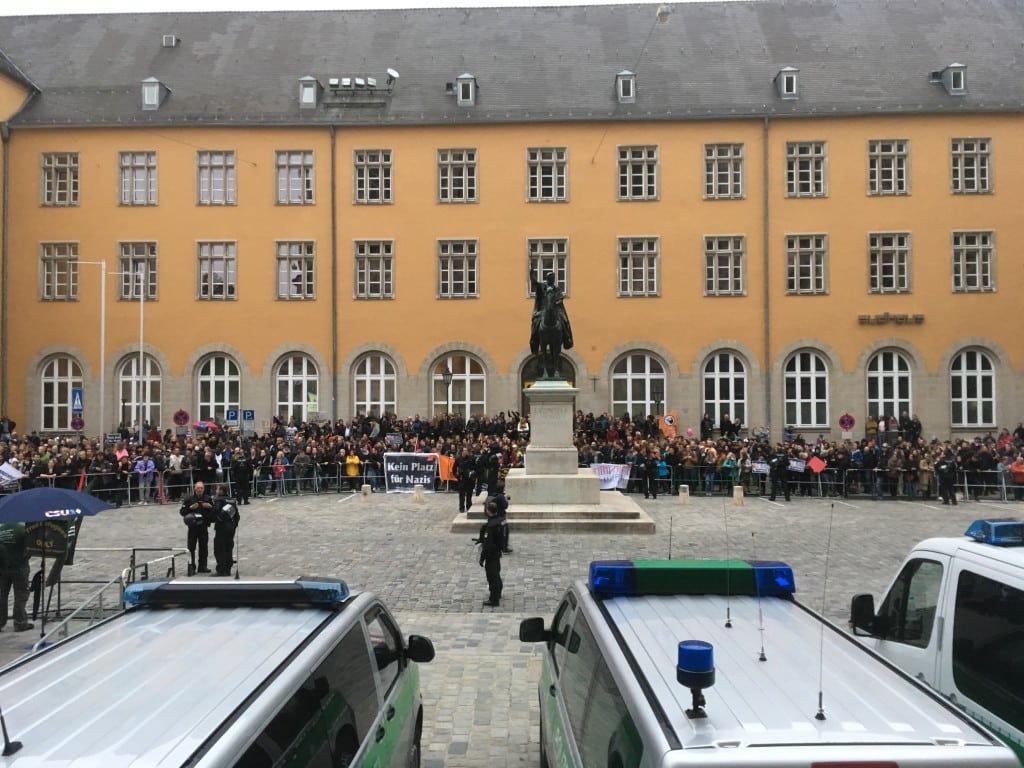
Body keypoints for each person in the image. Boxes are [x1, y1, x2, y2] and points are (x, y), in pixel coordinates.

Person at [529, 271, 574, 354]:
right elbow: (534, 282)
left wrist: (557, 302)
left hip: (556, 309)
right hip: (542, 309)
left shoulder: (557, 288)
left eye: (553, 278)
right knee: (536, 322)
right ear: (548, 279)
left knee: (565, 320)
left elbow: (561, 298)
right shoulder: (542, 286)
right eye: (551, 278)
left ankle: (567, 338)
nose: (553, 279)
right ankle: (534, 339)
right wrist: (531, 274)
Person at [0, 522, 33, 632]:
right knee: (21, 594)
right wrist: (24, 560)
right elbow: (29, 549)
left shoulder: (1, 530)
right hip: (19, 567)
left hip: (3, 567)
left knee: (2, 595)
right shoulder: (22, 530)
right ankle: (20, 622)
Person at [180, 480, 214, 574]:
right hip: (193, 527)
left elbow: (213, 512)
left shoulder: (208, 498)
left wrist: (210, 507)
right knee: (191, 548)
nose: (200, 490)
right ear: (195, 488)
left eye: (201, 488)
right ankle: (191, 567)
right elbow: (182, 512)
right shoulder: (189, 499)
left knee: (204, 547)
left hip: (203, 527)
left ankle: (203, 566)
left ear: (204, 489)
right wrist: (190, 508)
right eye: (198, 488)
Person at [477, 500, 504, 607]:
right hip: (497, 552)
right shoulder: (501, 521)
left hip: (491, 554)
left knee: (492, 576)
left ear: (488, 511)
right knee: (496, 573)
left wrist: (482, 557)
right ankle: (498, 593)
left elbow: (488, 544)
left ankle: (494, 599)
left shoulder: (491, 526)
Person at [211, 486, 240, 577]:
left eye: (217, 489)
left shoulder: (219, 500)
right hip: (230, 529)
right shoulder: (232, 500)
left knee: (219, 549)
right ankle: (228, 569)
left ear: (221, 491)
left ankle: (221, 570)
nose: (216, 491)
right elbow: (237, 516)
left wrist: (210, 519)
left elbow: (214, 512)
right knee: (229, 549)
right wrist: (234, 526)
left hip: (221, 528)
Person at [454, 446, 477, 513]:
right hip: (462, 479)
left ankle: (469, 506)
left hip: (469, 480)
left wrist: (473, 476)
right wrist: (457, 476)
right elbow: (454, 469)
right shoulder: (458, 459)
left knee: (469, 494)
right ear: (462, 451)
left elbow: (475, 467)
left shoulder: (471, 458)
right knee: (462, 495)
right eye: (464, 450)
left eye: (467, 450)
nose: (466, 452)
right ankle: (461, 507)